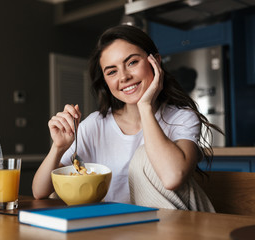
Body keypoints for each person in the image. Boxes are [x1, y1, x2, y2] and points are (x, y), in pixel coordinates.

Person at [32, 25, 222, 211]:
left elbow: (172, 178)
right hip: (124, 228)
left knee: (143, 155)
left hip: (181, 226)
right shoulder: (95, 125)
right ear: (106, 81)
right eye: (112, 71)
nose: (123, 77)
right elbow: (39, 192)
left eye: (132, 62)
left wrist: (145, 106)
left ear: (154, 61)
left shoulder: (182, 117)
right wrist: (58, 148)